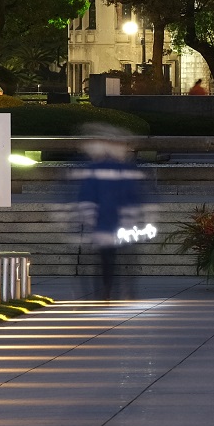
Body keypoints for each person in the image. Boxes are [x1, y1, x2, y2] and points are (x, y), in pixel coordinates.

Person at [76, 127, 149, 299]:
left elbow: (87, 197)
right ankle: (119, 292)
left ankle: (106, 293)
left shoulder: (96, 168)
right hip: (119, 224)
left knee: (105, 261)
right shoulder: (124, 169)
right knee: (120, 260)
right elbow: (133, 197)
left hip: (104, 224)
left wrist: (89, 219)